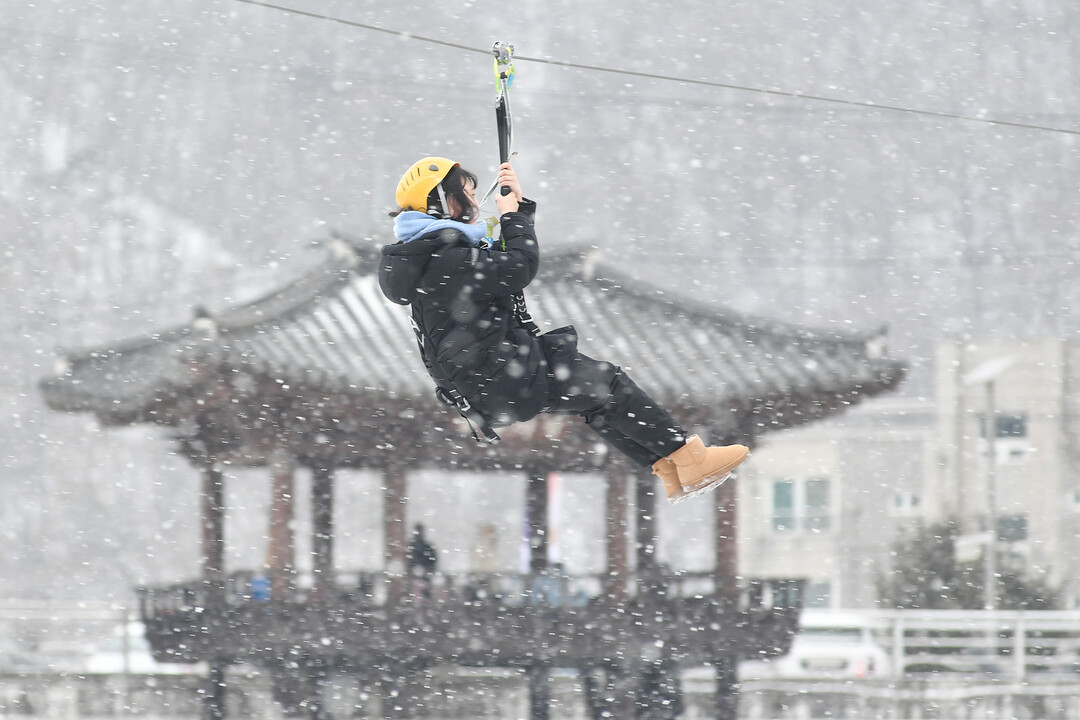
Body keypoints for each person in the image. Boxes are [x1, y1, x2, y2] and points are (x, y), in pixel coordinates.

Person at [379, 157, 749, 504]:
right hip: (503, 374)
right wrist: (514, 219)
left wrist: (516, 213)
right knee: (608, 385)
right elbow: (518, 267)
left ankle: (671, 468)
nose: (476, 202)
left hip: (491, 379)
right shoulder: (447, 260)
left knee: (599, 397)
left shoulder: (428, 257)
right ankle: (688, 459)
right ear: (441, 203)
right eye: (469, 195)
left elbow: (498, 270)